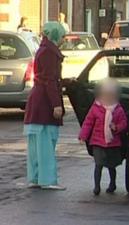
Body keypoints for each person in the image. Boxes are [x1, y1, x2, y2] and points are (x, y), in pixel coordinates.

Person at [23, 22, 66, 190]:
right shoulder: (50, 52)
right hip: (44, 102)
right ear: (55, 35)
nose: (63, 40)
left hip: (37, 100)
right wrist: (56, 105)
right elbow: (49, 80)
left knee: (36, 144)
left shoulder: (43, 50)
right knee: (46, 142)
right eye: (62, 36)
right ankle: (47, 179)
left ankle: (34, 177)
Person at [79, 79, 127, 196]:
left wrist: (116, 127)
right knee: (98, 164)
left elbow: (124, 123)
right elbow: (88, 122)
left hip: (112, 142)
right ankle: (97, 186)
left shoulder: (118, 110)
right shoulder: (96, 108)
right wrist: (83, 136)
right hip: (98, 141)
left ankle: (112, 183)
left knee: (111, 165)